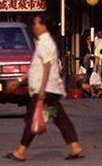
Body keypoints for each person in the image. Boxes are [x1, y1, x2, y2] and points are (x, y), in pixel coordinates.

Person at [5, 14, 83, 162]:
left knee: (33, 119)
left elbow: (47, 66)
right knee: (60, 118)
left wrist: (41, 89)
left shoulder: (46, 43)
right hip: (49, 88)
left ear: (43, 26)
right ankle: (74, 145)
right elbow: (36, 69)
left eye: (36, 24)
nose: (34, 27)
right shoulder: (42, 42)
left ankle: (21, 151)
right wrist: (20, 81)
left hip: (45, 89)